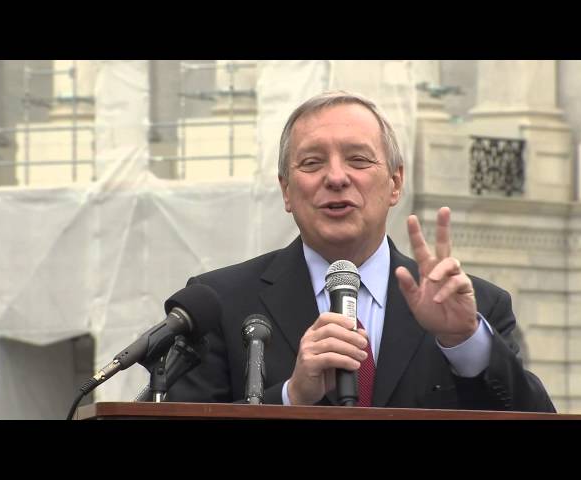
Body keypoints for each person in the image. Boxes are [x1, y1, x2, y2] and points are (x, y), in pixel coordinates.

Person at [166, 90, 555, 412]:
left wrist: (465, 343)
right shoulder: (219, 303)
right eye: (313, 162)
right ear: (286, 190)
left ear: (395, 182)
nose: (336, 178)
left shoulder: (475, 309)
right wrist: (292, 397)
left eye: (358, 160)